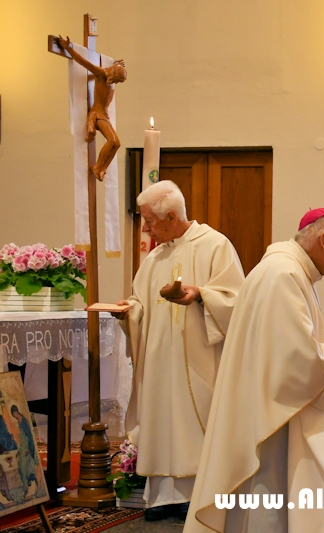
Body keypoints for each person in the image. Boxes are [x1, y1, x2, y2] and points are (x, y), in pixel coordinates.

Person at [185, 209, 324, 533]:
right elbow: (293, 357)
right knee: (266, 506)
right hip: (268, 425)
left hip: (269, 412)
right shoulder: (283, 274)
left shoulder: (288, 270)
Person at [113, 180, 245, 520]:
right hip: (159, 362)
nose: (145, 228)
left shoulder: (216, 246)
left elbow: (238, 301)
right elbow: (141, 301)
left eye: (149, 220)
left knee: (195, 423)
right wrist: (129, 311)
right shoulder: (155, 256)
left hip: (200, 360)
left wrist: (200, 295)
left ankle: (198, 497)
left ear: (171, 216)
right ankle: (161, 498)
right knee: (161, 421)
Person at [56, 36, 127, 181]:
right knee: (112, 141)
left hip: (104, 115)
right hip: (98, 114)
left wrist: (118, 65)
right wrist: (69, 48)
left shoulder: (110, 75)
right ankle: (97, 166)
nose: (116, 84)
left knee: (117, 143)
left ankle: (102, 168)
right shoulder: (101, 74)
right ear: (113, 75)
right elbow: (84, 62)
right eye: (117, 80)